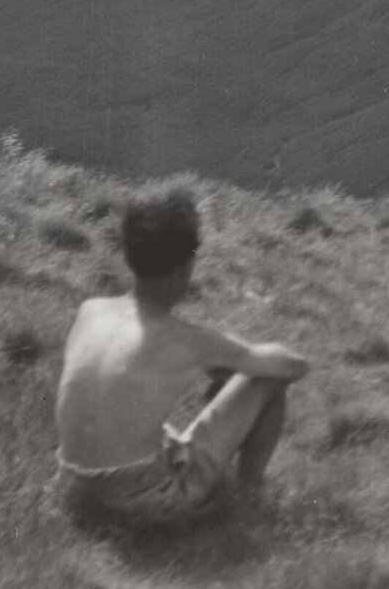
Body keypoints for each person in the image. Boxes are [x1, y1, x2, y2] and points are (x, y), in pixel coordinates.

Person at [55, 190, 309, 528]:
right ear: (186, 268)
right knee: (268, 381)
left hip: (73, 489)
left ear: (128, 256)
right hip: (144, 500)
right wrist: (234, 354)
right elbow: (294, 366)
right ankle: (250, 495)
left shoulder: (91, 311)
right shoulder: (189, 339)